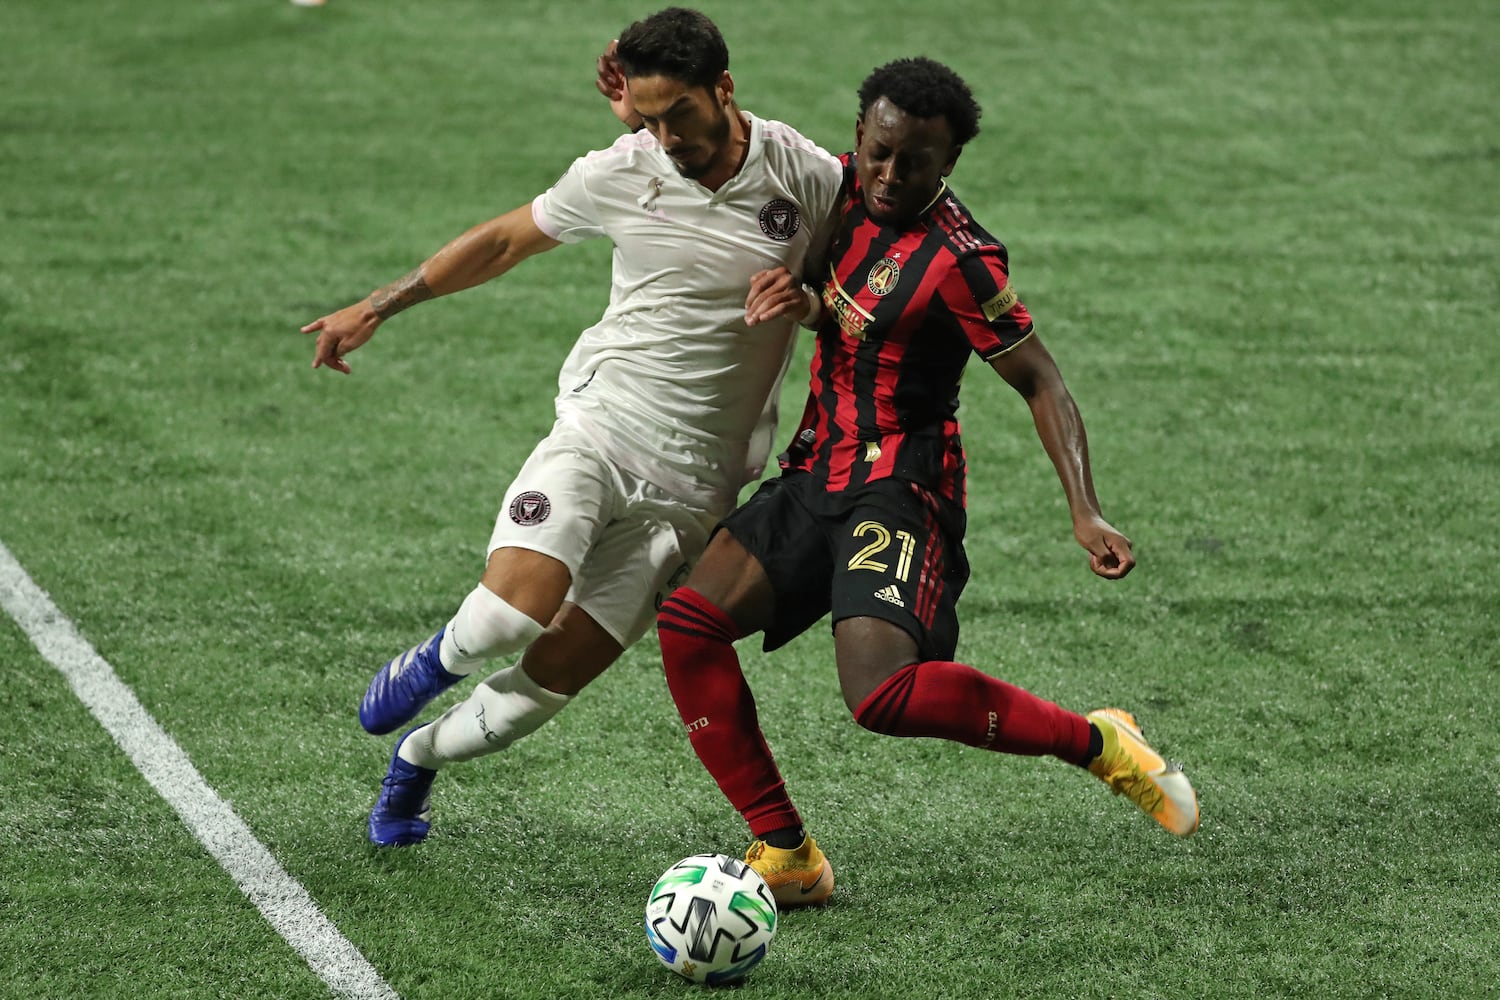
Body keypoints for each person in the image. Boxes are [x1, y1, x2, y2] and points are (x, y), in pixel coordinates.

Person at [652, 57, 1199, 907]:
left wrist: (1085, 512)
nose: (889, 176)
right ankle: (786, 851)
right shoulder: (837, 194)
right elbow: (728, 146)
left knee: (882, 695)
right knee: (688, 625)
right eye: (878, 152)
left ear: (948, 164)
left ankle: (1096, 742)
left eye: (915, 163)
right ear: (861, 137)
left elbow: (1041, 381)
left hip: (902, 489)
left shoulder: (962, 262)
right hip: (813, 473)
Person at [300, 7, 844, 848]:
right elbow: (503, 241)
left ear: (725, 90)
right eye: (647, 116)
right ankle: (437, 659)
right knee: (510, 618)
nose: (666, 136)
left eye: (680, 116)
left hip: (695, 495)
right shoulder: (620, 170)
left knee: (544, 685)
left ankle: (416, 760)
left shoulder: (806, 177)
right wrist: (378, 305)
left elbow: (855, 299)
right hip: (600, 428)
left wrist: (807, 305)